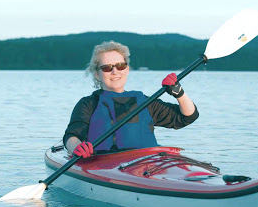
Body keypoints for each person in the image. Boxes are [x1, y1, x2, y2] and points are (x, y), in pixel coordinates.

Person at [63, 41, 199, 158]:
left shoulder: (145, 102)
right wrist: (77, 147)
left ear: (127, 69)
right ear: (97, 74)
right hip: (104, 165)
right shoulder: (88, 104)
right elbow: (72, 136)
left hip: (146, 164)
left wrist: (179, 93)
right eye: (107, 67)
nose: (115, 72)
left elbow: (187, 117)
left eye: (120, 66)